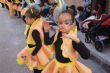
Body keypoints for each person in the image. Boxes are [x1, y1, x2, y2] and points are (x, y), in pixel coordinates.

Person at [17, 5, 53, 73]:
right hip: (36, 49)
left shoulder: (34, 30)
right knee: (38, 67)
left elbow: (38, 44)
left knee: (37, 68)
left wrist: (33, 54)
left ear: (33, 19)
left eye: (27, 18)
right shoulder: (38, 21)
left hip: (36, 51)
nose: (25, 19)